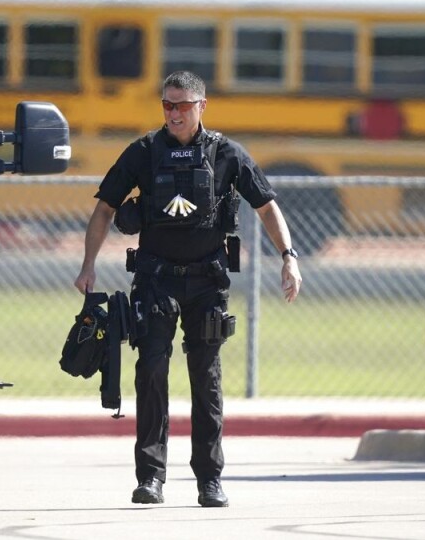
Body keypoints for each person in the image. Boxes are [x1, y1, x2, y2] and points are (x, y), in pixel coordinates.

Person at [73, 70, 302, 508]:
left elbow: (267, 205)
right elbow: (104, 209)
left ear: (202, 106)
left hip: (207, 282)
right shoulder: (143, 152)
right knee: (152, 372)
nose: (174, 113)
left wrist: (288, 257)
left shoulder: (225, 153)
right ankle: (151, 477)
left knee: (206, 378)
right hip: (156, 279)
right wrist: (88, 264)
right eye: (167, 105)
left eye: (182, 105)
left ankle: (209, 481)